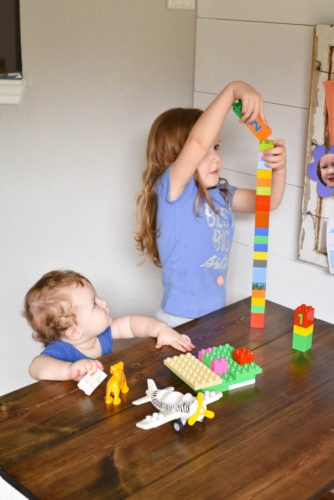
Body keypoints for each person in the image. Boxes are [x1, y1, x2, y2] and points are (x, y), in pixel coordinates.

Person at [135, 80, 286, 327]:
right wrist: (233, 90)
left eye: (217, 147)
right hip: (179, 322)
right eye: (207, 150)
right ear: (170, 159)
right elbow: (197, 141)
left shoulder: (222, 194)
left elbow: (268, 202)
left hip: (215, 317)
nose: (215, 157)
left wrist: (279, 168)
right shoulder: (173, 191)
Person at [24, 270, 194, 381]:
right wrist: (69, 370)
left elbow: (131, 323)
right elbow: (36, 367)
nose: (103, 302)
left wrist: (161, 329)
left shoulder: (101, 333)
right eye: (94, 304)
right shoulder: (63, 350)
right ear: (75, 331)